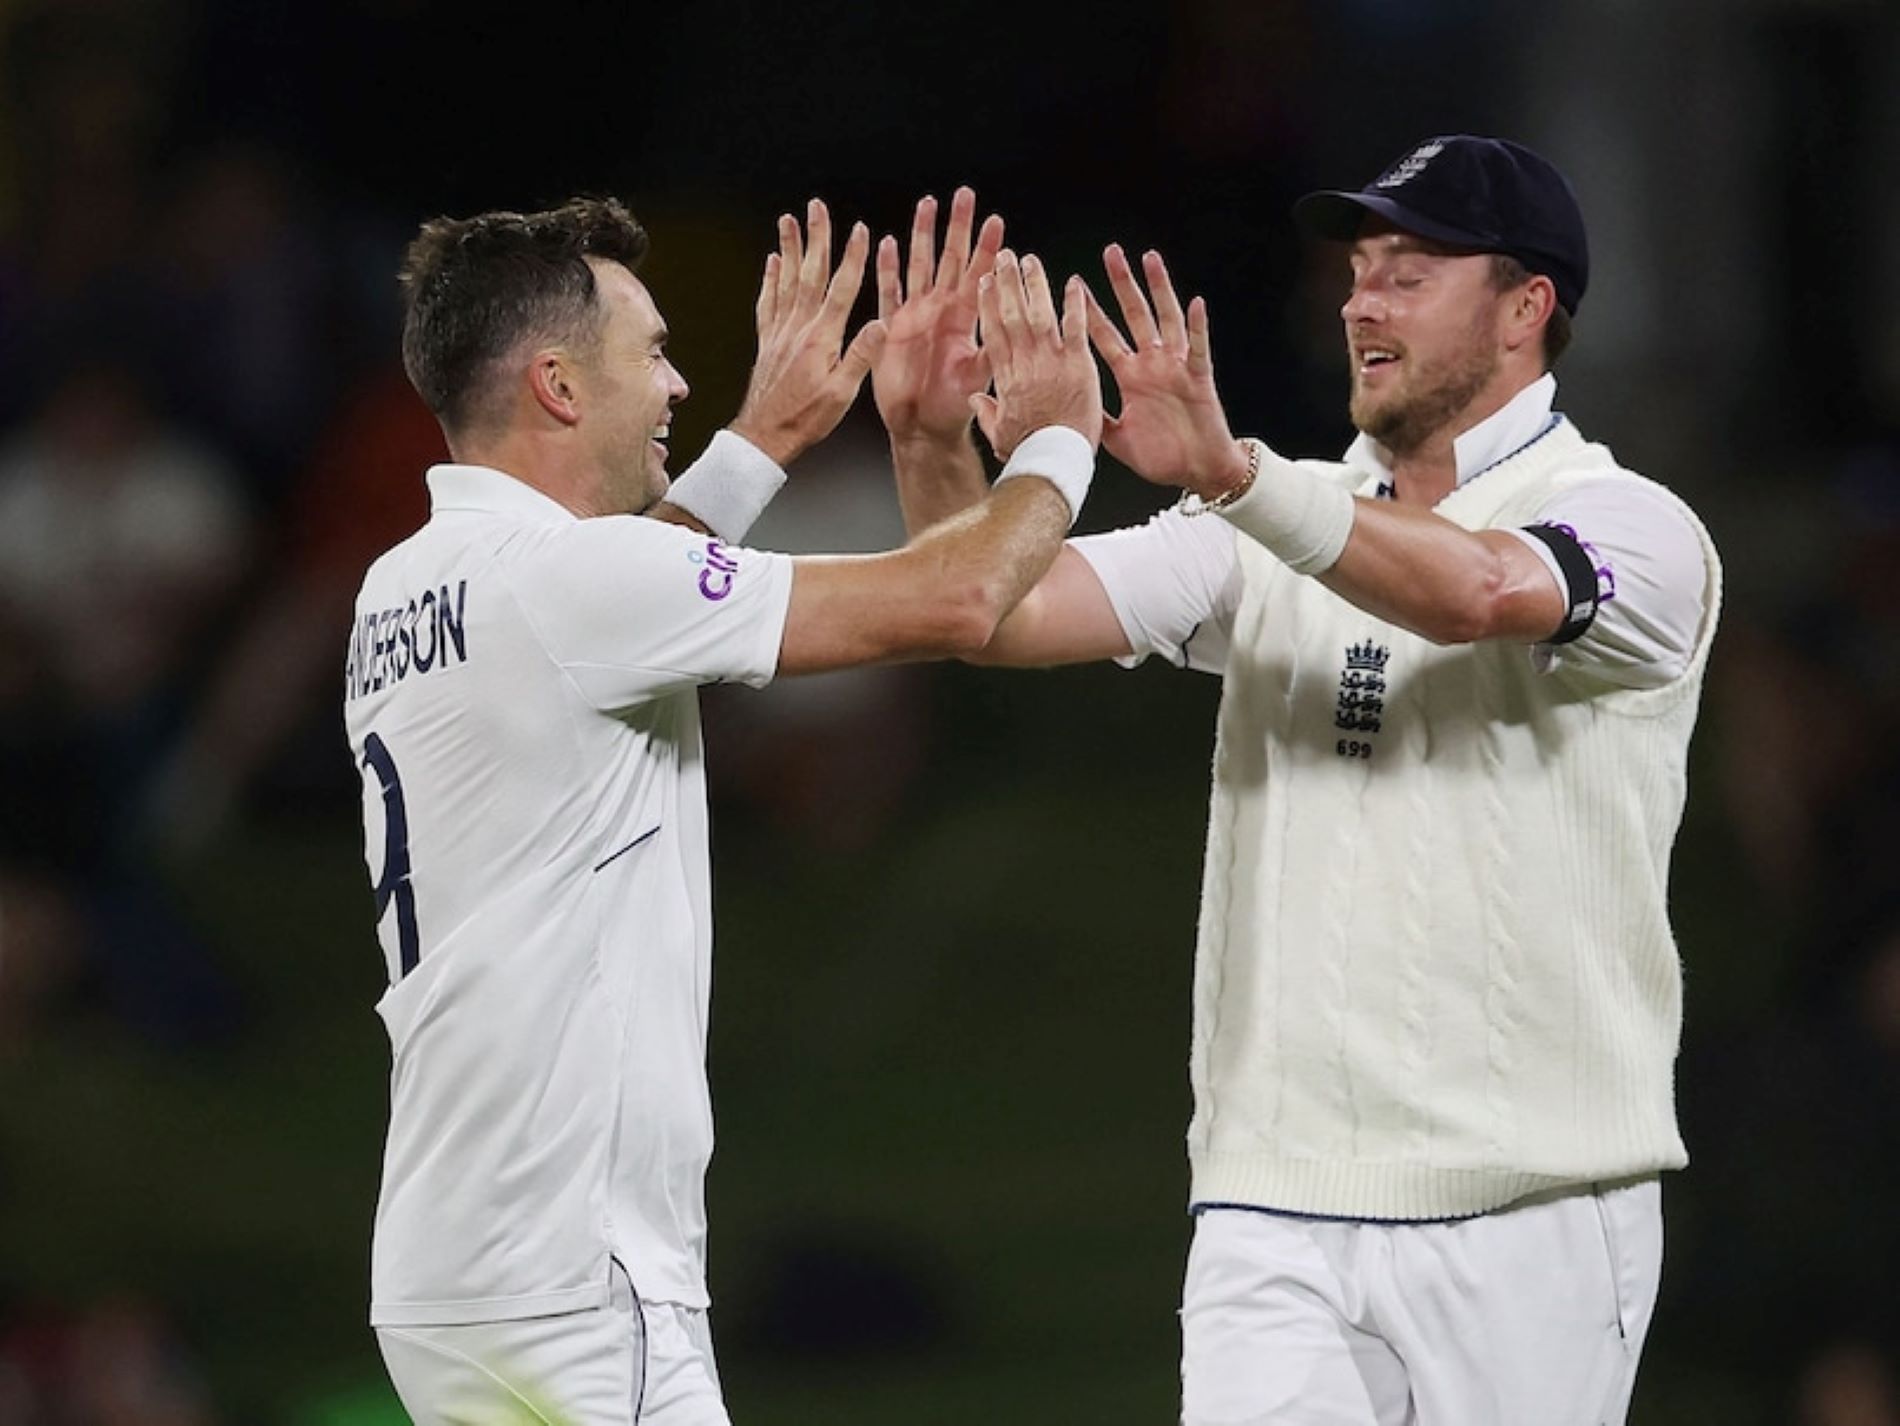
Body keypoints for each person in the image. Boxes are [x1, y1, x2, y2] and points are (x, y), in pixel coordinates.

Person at [879, 136, 1723, 1425]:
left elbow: (1482, 588)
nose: (1360, 299)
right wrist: (935, 444)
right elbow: (994, 609)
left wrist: (1231, 471)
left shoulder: (1633, 523)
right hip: (1270, 1205)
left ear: (1524, 308)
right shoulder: (1279, 520)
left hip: (1531, 1205)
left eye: (1409, 269)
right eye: (1356, 267)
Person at [345, 190, 1101, 1425]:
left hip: (447, 1272)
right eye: (650, 351)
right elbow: (960, 597)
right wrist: (1058, 443)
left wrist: (763, 437)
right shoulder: (568, 585)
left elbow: (625, 603)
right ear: (556, 384)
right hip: (576, 1271)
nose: (678, 384)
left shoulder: (406, 585)